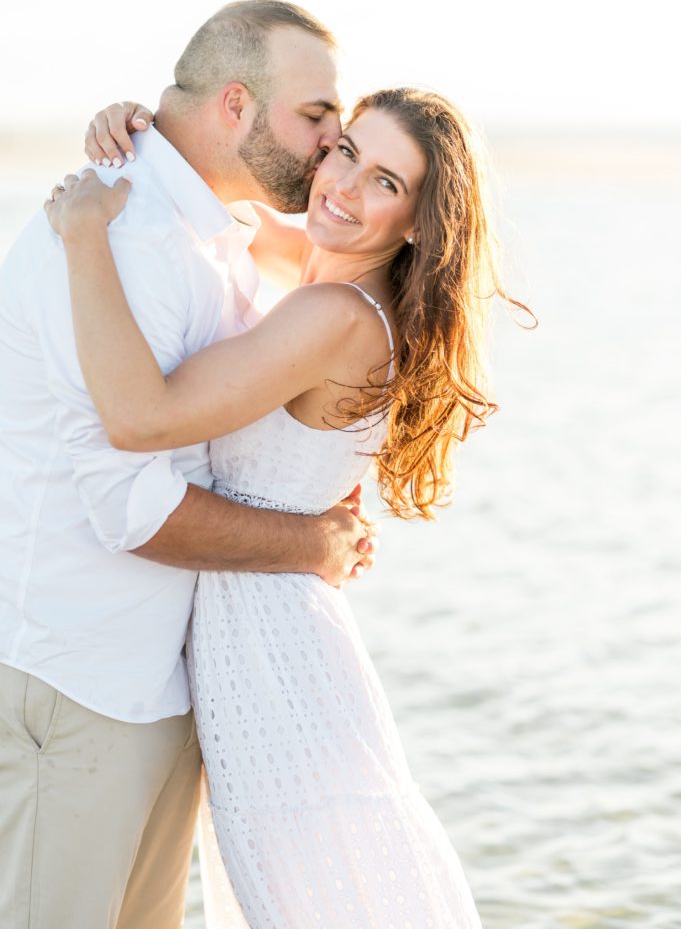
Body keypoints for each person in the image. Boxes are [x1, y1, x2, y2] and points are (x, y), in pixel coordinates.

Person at [45, 86, 532, 927]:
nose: (342, 188)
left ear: (418, 222)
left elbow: (141, 417)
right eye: (345, 151)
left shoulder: (334, 312)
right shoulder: (320, 271)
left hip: (274, 644)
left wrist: (83, 233)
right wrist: (137, 126)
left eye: (384, 182)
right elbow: (210, 194)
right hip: (260, 622)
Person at [0, 0, 377, 929]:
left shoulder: (216, 236)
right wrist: (309, 546)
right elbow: (129, 503)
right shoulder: (130, 236)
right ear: (236, 106)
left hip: (163, 681)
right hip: (78, 679)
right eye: (318, 117)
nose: (332, 147)